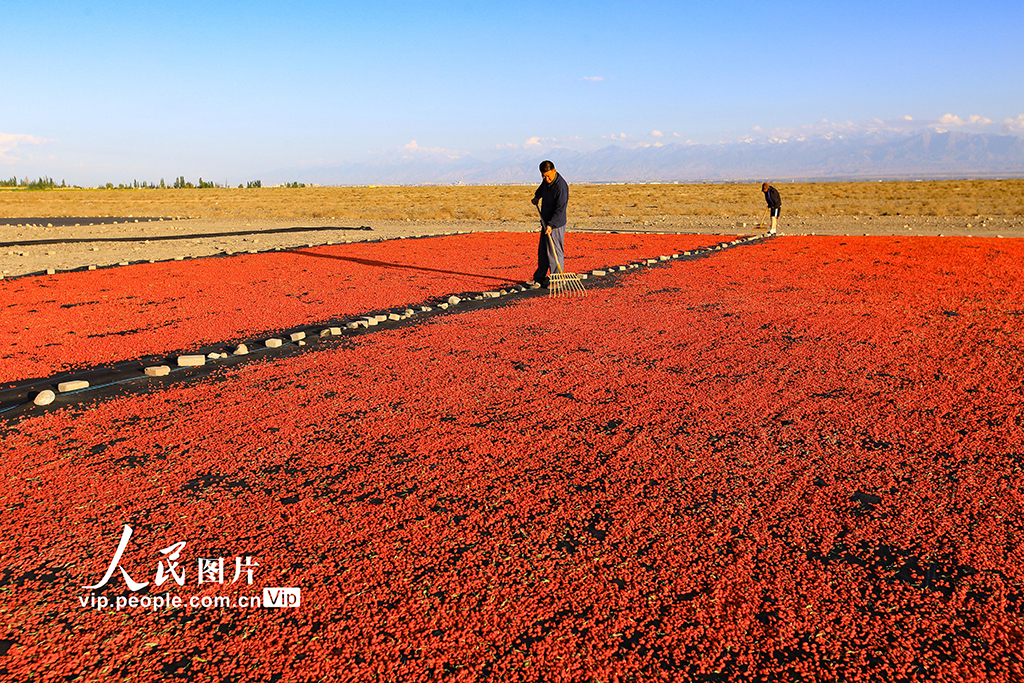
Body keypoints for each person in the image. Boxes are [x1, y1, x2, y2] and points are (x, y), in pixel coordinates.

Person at [531, 160, 569, 287]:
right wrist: (537, 196)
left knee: (554, 251)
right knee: (543, 251)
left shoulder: (561, 187)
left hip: (556, 224)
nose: (546, 179)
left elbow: (560, 209)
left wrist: (551, 225)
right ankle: (539, 277)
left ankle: (556, 279)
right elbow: (542, 188)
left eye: (548, 176)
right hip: (545, 220)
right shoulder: (546, 182)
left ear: (554, 171)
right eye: (543, 176)